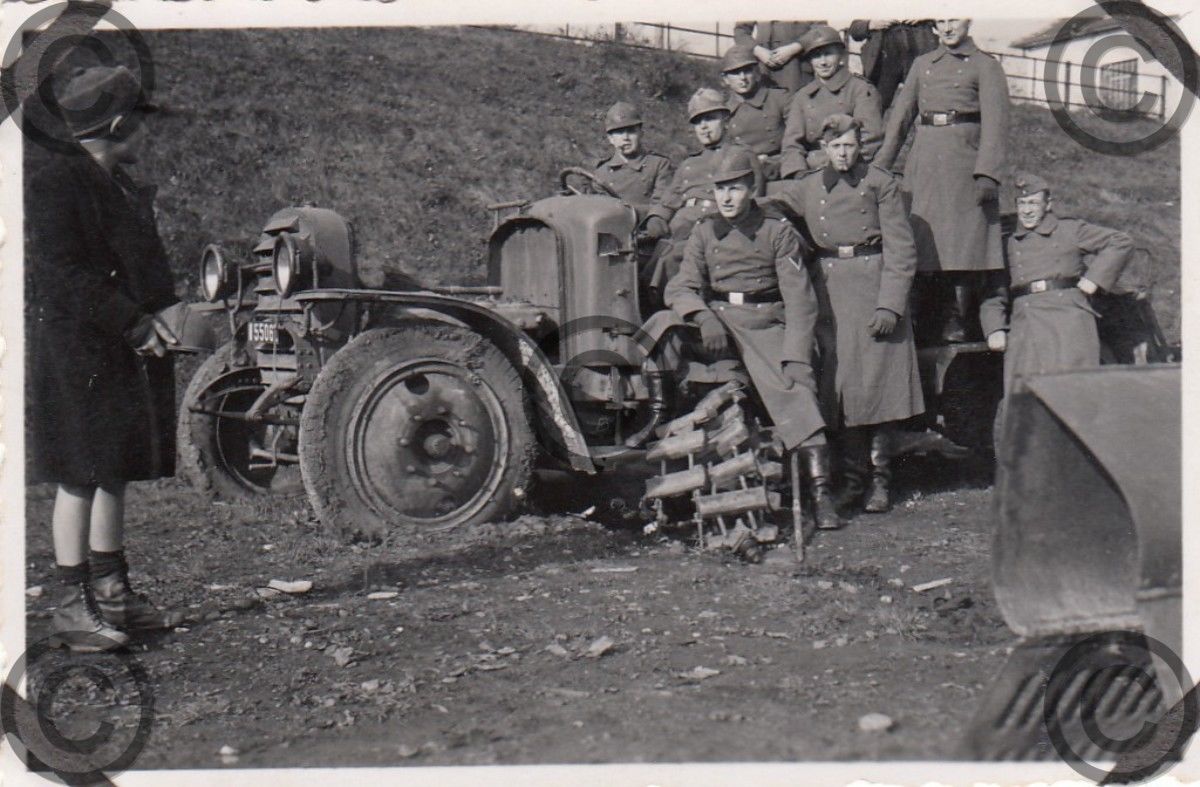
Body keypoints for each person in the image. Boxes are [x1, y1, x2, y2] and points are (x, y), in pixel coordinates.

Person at [27, 65, 183, 652]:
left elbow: (144, 265)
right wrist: (134, 321)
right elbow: (62, 275)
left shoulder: (118, 185)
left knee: (112, 467)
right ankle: (71, 608)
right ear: (117, 124)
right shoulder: (56, 183)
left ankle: (112, 591)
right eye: (140, 124)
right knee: (79, 475)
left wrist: (168, 311)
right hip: (77, 349)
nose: (145, 136)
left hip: (116, 345)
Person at [664, 147, 840, 530]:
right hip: (722, 324)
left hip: (766, 322)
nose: (726, 197)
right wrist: (702, 315)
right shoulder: (704, 231)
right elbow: (681, 286)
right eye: (720, 189)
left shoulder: (776, 232)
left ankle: (820, 493)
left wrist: (796, 354)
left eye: (735, 188)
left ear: (751, 187)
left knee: (797, 390)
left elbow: (800, 301)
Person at [773, 114, 924, 513]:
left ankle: (880, 481)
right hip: (829, 291)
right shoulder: (808, 187)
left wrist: (890, 303)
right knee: (842, 391)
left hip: (872, 285)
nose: (843, 153)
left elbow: (902, 249)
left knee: (877, 390)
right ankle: (852, 480)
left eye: (849, 145)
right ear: (824, 149)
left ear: (860, 146)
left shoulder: (880, 184)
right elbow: (771, 200)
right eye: (835, 146)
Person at [875, 18, 1010, 344]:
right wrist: (880, 166)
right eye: (941, 21)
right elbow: (901, 119)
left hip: (964, 163)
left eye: (954, 20)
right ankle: (926, 315)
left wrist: (987, 172)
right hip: (925, 161)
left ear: (968, 21)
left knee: (963, 244)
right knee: (924, 237)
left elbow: (996, 122)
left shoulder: (985, 66)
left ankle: (957, 319)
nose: (948, 27)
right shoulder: (923, 64)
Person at [980, 173, 1134, 395]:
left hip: (1069, 319)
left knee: (1075, 391)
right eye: (1021, 204)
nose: (1027, 210)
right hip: (1026, 323)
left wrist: (1094, 279)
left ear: (1048, 204)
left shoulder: (1070, 230)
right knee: (1025, 395)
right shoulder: (1007, 242)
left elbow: (1120, 241)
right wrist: (993, 328)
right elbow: (994, 291)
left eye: (1033, 203)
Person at [642, 88, 761, 295]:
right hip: (678, 231)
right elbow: (668, 201)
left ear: (725, 119)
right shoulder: (689, 163)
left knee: (672, 257)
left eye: (710, 119)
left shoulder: (740, 155)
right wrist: (655, 220)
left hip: (715, 230)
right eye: (698, 122)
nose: (703, 127)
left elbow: (753, 200)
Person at [780, 25, 883, 179]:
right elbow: (792, 143)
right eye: (816, 56)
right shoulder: (803, 96)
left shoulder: (859, 89)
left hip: (851, 168)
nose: (822, 62)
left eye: (828, 54)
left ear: (841, 55)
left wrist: (842, 163)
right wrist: (799, 174)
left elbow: (871, 138)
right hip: (810, 171)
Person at [720, 44, 791, 182]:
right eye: (735, 72)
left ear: (757, 73)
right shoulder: (724, 112)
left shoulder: (779, 98)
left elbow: (796, 139)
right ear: (726, 79)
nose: (742, 78)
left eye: (747, 71)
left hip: (783, 168)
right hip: (746, 175)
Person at [591, 101, 675, 211]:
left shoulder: (658, 165)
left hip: (647, 224)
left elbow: (662, 207)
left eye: (631, 131)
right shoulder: (601, 173)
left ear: (641, 133)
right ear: (611, 139)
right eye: (619, 132)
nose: (626, 137)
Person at [847, 19, 939, 112]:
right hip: (884, 56)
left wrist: (924, 16)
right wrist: (871, 24)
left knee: (925, 105)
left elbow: (945, 17)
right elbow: (855, 31)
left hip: (919, 49)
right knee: (874, 107)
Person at [733, 20, 825, 96]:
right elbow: (740, 31)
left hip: (797, 67)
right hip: (764, 68)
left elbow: (820, 29)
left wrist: (795, 48)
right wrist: (758, 50)